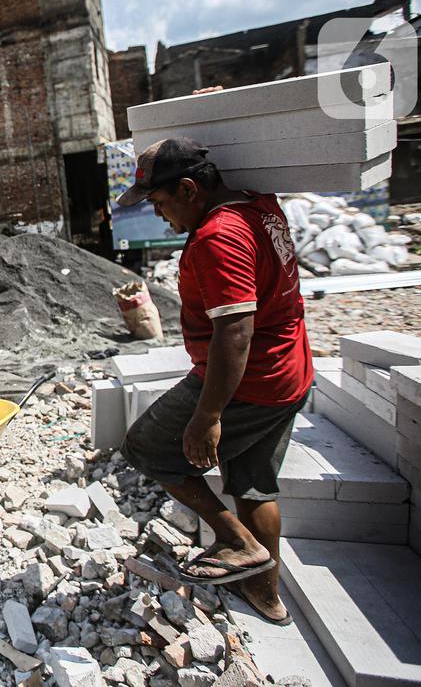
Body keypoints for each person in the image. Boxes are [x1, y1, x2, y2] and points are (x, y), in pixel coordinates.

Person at [115, 137, 313, 626]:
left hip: (250, 380)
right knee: (253, 485)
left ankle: (234, 542)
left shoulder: (217, 239)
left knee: (145, 446)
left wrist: (207, 415)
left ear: (187, 188)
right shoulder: (259, 206)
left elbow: (235, 331)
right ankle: (266, 597)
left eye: (160, 203)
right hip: (289, 370)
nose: (160, 215)